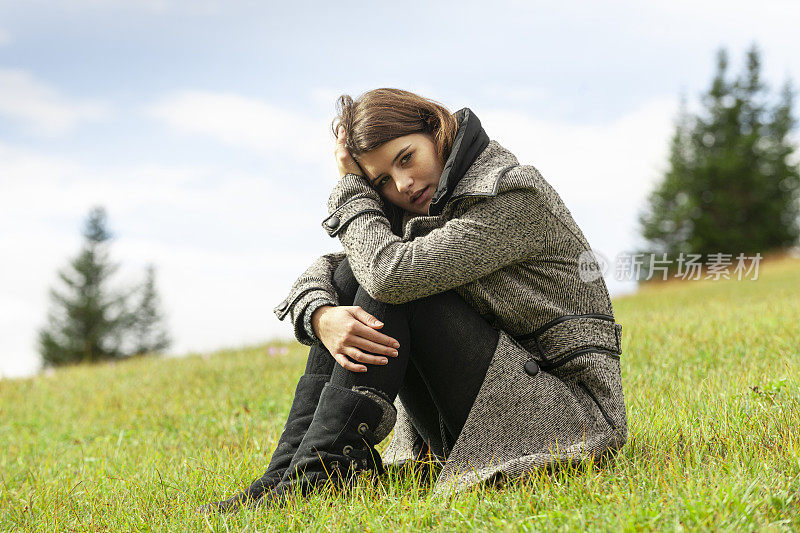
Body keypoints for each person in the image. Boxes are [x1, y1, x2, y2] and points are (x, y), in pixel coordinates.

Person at [199, 88, 627, 513]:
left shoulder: (513, 195)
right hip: (490, 405)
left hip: (564, 419)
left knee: (395, 284)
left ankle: (321, 474)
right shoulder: (426, 206)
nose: (402, 184)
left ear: (436, 129)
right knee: (356, 275)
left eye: (406, 158)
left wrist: (352, 185)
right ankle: (289, 472)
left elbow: (389, 275)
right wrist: (322, 314)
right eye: (381, 180)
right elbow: (339, 269)